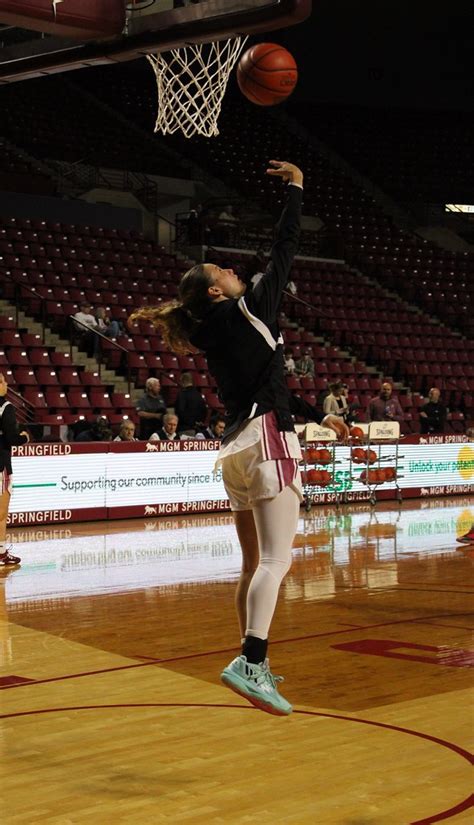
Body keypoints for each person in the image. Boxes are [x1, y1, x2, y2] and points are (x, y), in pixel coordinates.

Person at [129, 160, 343, 717]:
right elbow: (285, 249)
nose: (228, 270)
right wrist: (297, 188)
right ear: (217, 292)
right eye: (219, 270)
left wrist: (316, 415)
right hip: (267, 438)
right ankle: (251, 661)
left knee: (252, 563)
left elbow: (263, 381)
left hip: (236, 446)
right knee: (276, 561)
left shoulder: (210, 328)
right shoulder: (249, 310)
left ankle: (250, 657)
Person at [0, 373, 30, 567]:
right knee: (1, 514)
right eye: (2, 381)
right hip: (0, 465)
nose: (6, 384)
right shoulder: (5, 407)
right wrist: (24, 437)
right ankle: (1, 553)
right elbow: (12, 438)